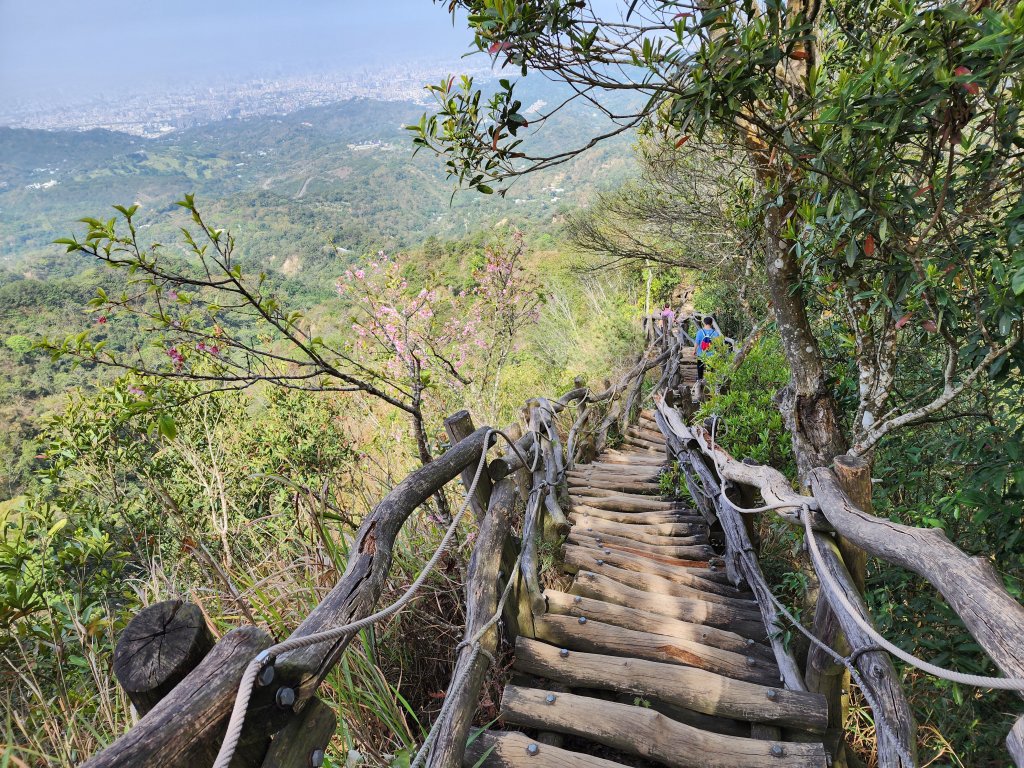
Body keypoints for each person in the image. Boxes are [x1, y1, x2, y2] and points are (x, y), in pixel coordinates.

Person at [694, 316, 720, 380]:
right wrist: (719, 351)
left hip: (701, 353)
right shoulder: (715, 333)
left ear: (704, 323)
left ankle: (700, 378)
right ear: (711, 323)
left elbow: (697, 342)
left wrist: (694, 350)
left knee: (700, 366)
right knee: (711, 367)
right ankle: (710, 380)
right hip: (711, 354)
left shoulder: (700, 332)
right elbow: (718, 344)